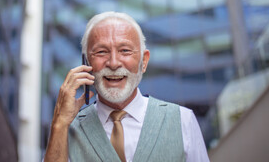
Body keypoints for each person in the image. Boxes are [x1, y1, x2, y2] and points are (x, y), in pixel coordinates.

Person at [44, 12, 210, 162]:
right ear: (86, 62)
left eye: (124, 50)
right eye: (101, 52)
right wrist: (59, 124)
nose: (114, 63)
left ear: (143, 62)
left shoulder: (182, 120)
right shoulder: (66, 131)